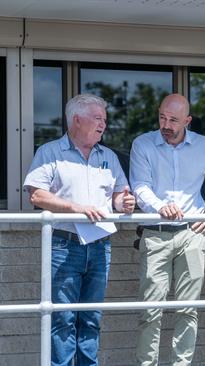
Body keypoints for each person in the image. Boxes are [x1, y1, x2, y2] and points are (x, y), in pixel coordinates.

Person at [23, 93, 135, 366]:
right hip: (64, 245)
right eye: (98, 119)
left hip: (100, 246)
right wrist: (77, 208)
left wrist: (125, 202)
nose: (103, 125)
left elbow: (118, 196)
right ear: (76, 120)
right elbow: (37, 196)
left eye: (105, 120)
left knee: (91, 318)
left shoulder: (108, 155)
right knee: (62, 319)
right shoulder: (49, 152)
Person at [130, 94, 205, 366]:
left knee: (188, 310)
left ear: (187, 121)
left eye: (174, 120)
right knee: (149, 311)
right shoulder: (143, 144)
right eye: (162, 117)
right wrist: (159, 206)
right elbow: (140, 186)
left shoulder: (203, 146)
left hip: (192, 234)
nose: (166, 124)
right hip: (155, 233)